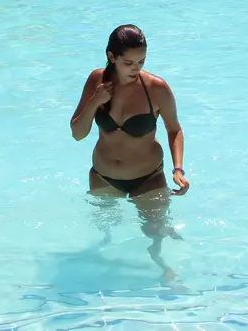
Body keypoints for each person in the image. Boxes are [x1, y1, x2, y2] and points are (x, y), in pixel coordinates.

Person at [70, 25, 187, 276]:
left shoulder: (156, 88)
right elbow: (78, 133)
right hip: (103, 176)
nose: (137, 68)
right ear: (112, 56)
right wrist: (95, 102)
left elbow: (174, 129)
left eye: (142, 61)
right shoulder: (96, 81)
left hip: (148, 177)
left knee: (154, 233)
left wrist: (178, 169)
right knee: (106, 232)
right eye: (129, 62)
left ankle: (165, 271)